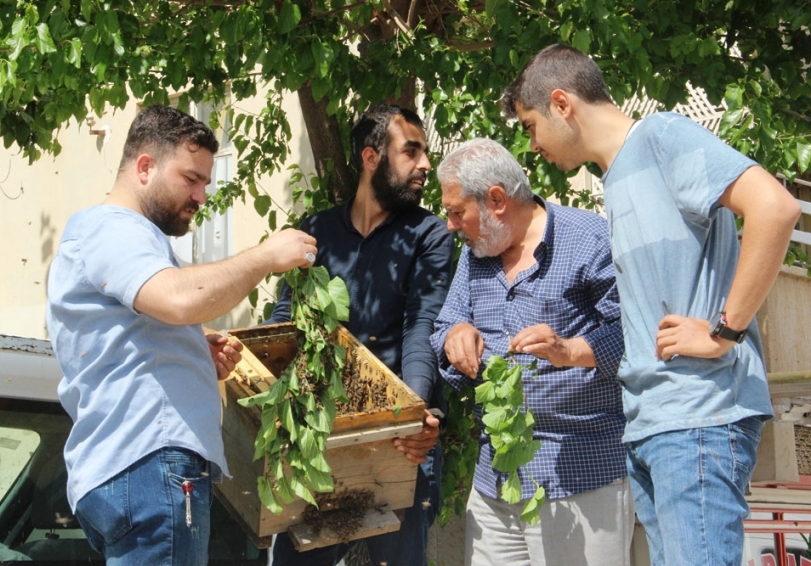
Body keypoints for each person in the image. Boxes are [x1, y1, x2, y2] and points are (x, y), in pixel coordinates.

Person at [501, 44, 803, 566]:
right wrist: (572, 350)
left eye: (530, 125)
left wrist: (722, 332)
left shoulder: (662, 137)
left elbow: (776, 207)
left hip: (698, 419)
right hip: (651, 426)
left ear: (561, 103)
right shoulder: (616, 177)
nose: (532, 145)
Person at [46, 104, 318, 566]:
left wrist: (193, 342)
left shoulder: (111, 236)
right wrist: (265, 257)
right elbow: (178, 299)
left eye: (206, 183)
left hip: (129, 468)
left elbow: (132, 327)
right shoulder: (114, 227)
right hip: (151, 464)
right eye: (191, 178)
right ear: (146, 166)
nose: (201, 196)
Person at [430, 137, 632, 565]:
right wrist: (455, 336)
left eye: (455, 211)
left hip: (582, 474)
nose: (450, 225)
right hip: (495, 478)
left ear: (496, 200)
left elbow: (636, 332)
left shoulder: (590, 239)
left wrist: (571, 349)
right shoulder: (475, 255)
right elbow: (444, 326)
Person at [268, 104, 454, 566]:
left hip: (400, 439)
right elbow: (286, 320)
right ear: (372, 158)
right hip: (322, 438)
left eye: (424, 152)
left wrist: (415, 415)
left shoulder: (429, 234)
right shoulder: (315, 232)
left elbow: (422, 326)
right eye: (411, 152)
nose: (425, 164)